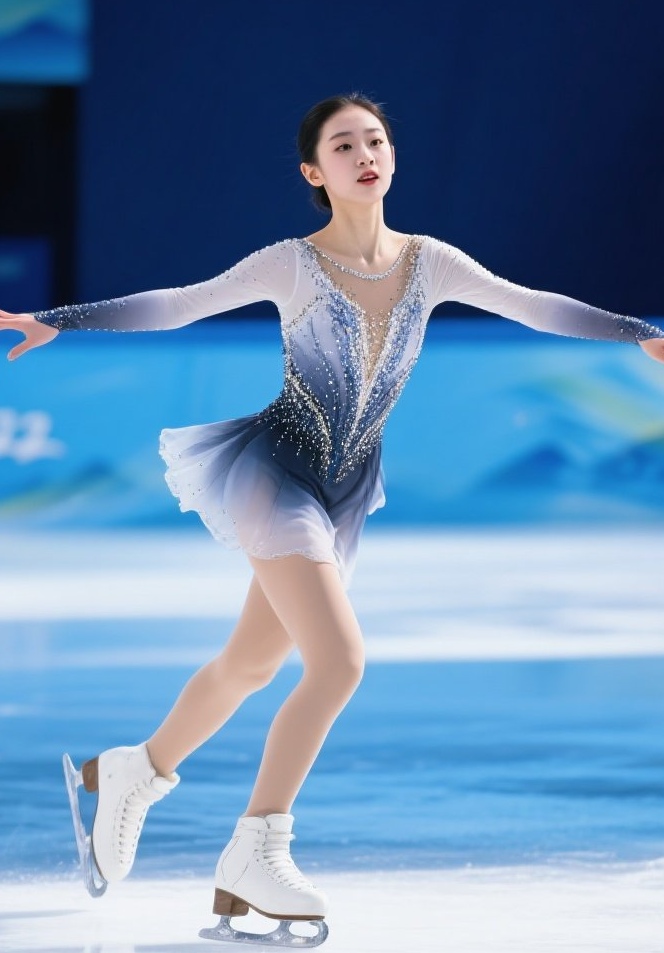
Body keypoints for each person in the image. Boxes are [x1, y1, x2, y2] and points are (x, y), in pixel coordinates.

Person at [2, 92, 664, 945]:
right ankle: (256, 848)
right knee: (340, 661)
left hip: (343, 491)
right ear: (314, 172)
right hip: (275, 473)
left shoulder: (430, 262)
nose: (365, 154)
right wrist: (60, 320)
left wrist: (636, 331)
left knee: (248, 664)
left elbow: (530, 303)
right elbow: (180, 303)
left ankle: (135, 769)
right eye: (343, 145)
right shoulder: (291, 264)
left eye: (375, 140)